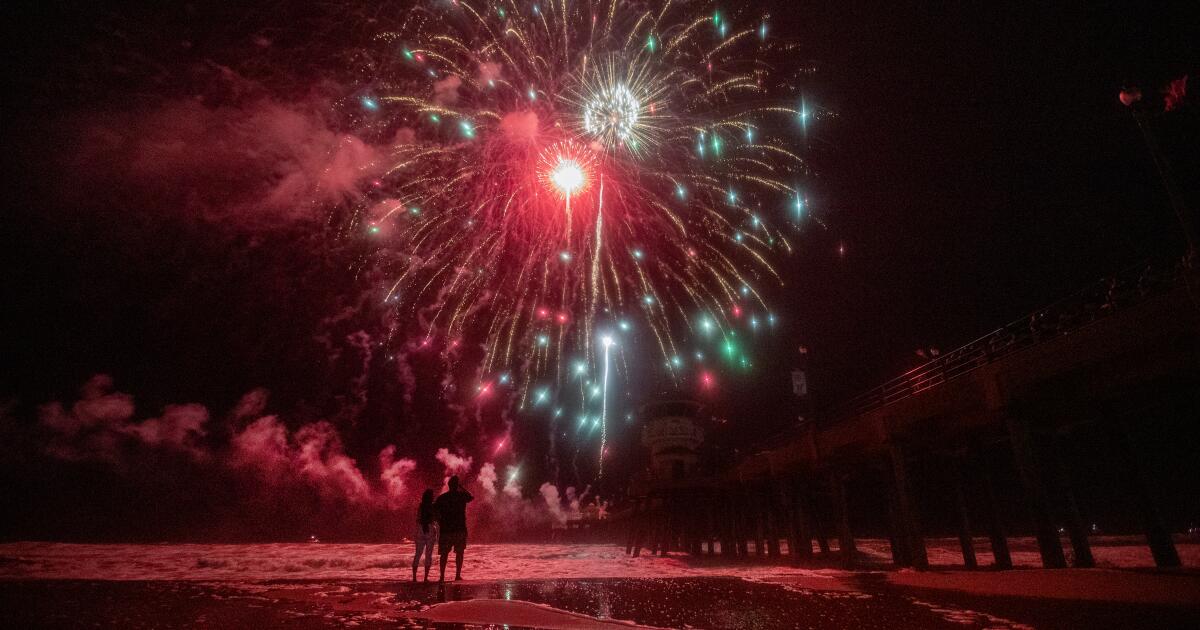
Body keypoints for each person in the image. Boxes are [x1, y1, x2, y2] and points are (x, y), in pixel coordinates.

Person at [433, 475, 473, 582]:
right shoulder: (461, 496)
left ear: (449, 485)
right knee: (459, 553)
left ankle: (442, 576)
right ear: (457, 485)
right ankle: (457, 575)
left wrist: (439, 522)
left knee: (444, 554)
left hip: (446, 530)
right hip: (460, 529)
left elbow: (434, 510)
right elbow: (471, 497)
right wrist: (462, 487)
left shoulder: (442, 498)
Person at [412, 489, 438, 582]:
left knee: (418, 553)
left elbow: (418, 518)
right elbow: (435, 517)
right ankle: (425, 578)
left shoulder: (421, 506)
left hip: (420, 528)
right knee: (428, 554)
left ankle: (414, 577)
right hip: (430, 528)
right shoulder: (433, 506)